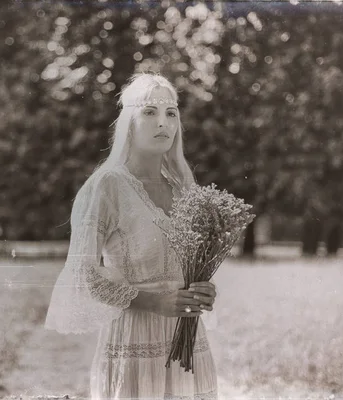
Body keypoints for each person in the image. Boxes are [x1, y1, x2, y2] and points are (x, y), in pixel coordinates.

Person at [44, 72, 219, 399]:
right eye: (149, 112)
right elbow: (84, 275)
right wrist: (155, 302)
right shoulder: (106, 186)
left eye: (171, 113)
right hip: (134, 343)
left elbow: (188, 269)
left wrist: (201, 289)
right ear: (128, 122)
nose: (162, 123)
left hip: (189, 342)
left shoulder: (184, 189)